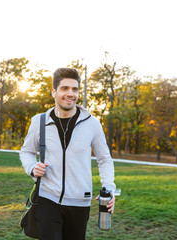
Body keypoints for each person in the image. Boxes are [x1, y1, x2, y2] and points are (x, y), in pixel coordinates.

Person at [20, 68, 116, 240]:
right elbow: (26, 151)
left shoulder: (92, 123)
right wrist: (32, 167)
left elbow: (104, 160)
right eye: (64, 88)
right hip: (47, 198)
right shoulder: (39, 122)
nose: (70, 93)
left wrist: (109, 189)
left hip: (80, 202)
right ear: (54, 92)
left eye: (75, 89)